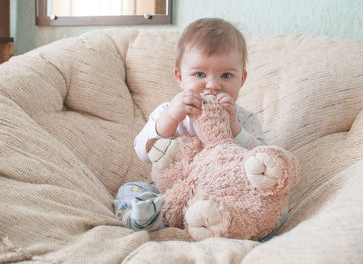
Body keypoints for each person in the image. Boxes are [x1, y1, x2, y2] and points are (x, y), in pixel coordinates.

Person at [114, 18, 266, 232]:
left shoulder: (245, 119)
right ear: (180, 77)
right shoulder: (167, 111)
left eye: (226, 75)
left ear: (242, 79)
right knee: (129, 190)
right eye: (200, 74)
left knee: (266, 202)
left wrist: (233, 126)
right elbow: (143, 152)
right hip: (173, 193)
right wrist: (171, 117)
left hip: (221, 195)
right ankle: (144, 217)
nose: (213, 85)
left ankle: (226, 224)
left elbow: (261, 162)